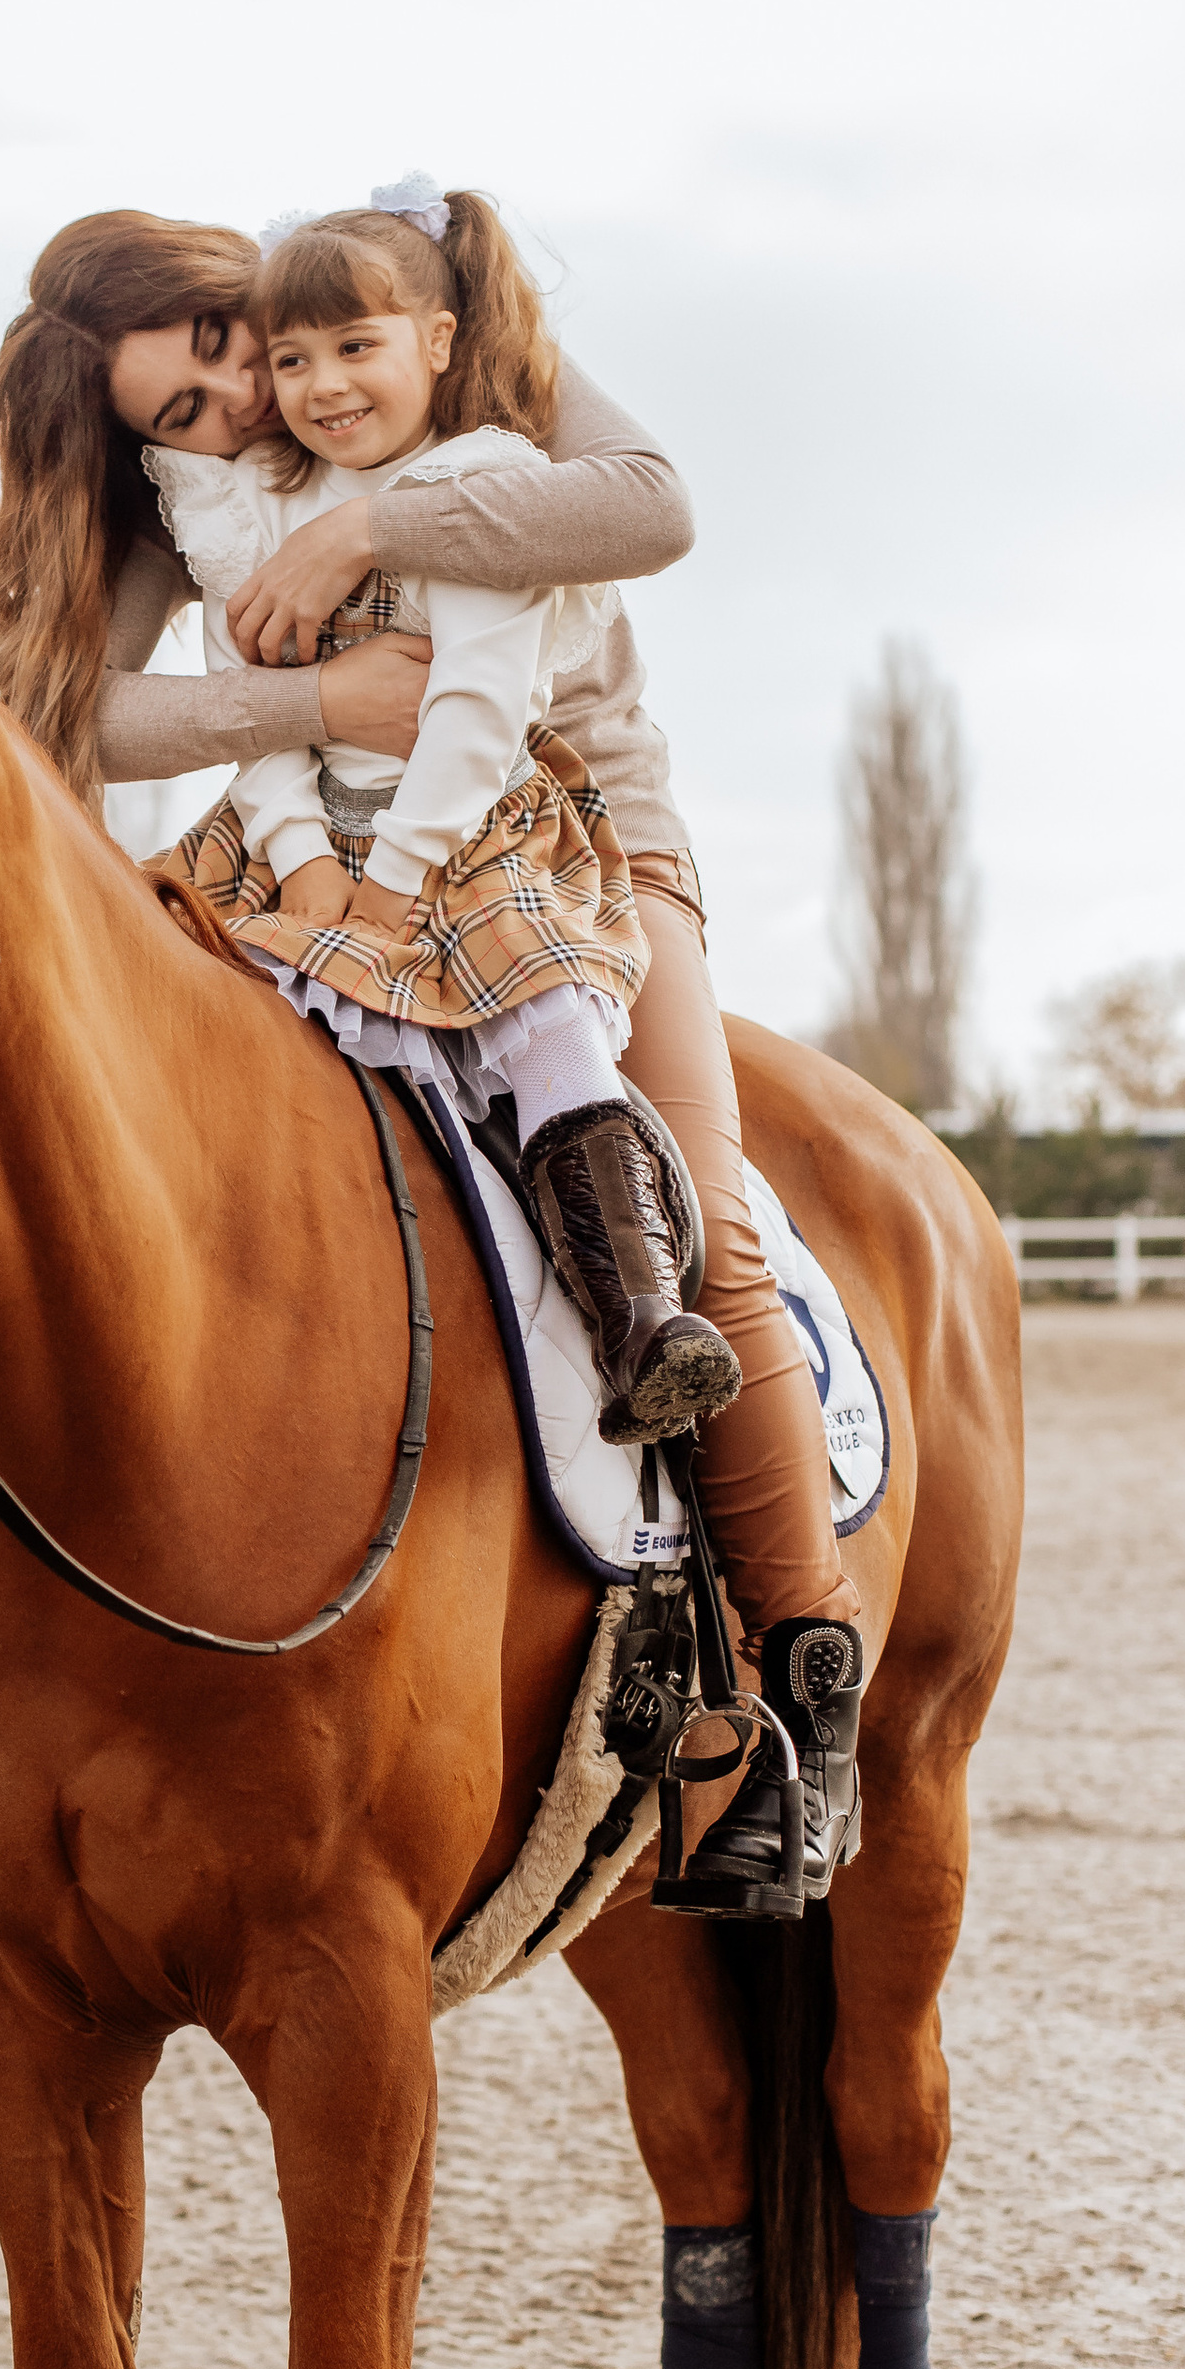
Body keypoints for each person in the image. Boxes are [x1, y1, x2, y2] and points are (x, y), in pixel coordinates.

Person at [0, 196, 863, 1912]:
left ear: (250, 293)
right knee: (44, 1113)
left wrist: (376, 511)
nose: (239, 404)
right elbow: (47, 707)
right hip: (319, 853)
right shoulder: (205, 490)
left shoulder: (414, 317)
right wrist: (309, 703)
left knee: (708, 1222)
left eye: (229, 352)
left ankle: (795, 1704)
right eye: (181, 409)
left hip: (570, 836)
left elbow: (654, 506)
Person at [140, 181, 737, 1445]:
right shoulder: (244, 511)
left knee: (540, 1006)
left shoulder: (483, 483)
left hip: (458, 837)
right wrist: (301, 860)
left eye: (352, 349)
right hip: (301, 845)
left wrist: (400, 874)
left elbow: (476, 708)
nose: (308, 386)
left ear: (441, 342)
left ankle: (640, 1317)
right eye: (291, 358)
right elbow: (240, 705)